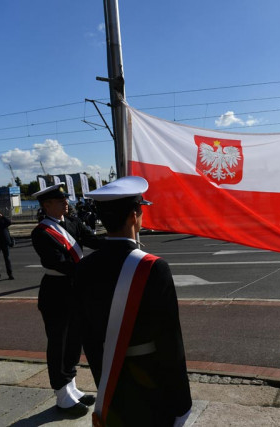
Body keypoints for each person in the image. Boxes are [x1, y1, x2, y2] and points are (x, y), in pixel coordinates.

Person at [76, 176, 192, 427]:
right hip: (151, 381)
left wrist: (103, 379)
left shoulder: (84, 267)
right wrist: (182, 403)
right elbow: (171, 341)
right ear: (133, 216)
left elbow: (88, 335)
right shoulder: (154, 268)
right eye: (140, 210)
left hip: (111, 380)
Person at [31, 183, 103, 416]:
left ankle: (71, 388)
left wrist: (118, 244)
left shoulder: (71, 222)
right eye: (60, 201)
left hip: (75, 291)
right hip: (56, 293)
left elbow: (91, 239)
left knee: (74, 341)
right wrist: (91, 270)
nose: (66, 203)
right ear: (47, 205)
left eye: (65, 200)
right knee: (59, 344)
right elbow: (58, 263)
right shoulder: (41, 232)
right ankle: (61, 396)